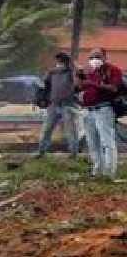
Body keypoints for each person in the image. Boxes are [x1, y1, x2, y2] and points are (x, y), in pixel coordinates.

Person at [77, 48, 122, 178]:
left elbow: (113, 88)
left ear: (104, 57)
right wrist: (79, 75)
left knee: (107, 142)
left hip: (103, 109)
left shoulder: (113, 70)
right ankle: (97, 171)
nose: (93, 60)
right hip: (88, 110)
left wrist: (92, 82)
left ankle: (109, 173)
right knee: (92, 142)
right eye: (91, 57)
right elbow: (80, 87)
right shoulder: (90, 71)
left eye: (97, 56)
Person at [36, 51, 79, 157]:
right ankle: (41, 151)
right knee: (47, 128)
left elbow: (77, 84)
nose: (59, 62)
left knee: (70, 130)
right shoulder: (52, 73)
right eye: (58, 60)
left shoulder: (71, 72)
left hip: (67, 104)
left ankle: (73, 152)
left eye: (62, 60)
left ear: (66, 62)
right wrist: (42, 99)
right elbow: (45, 87)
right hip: (53, 104)